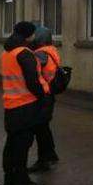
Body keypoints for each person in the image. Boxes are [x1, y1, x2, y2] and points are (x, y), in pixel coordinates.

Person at [1, 21, 49, 185]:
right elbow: (32, 80)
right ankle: (21, 181)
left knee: (12, 143)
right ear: (29, 35)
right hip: (26, 104)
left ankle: (9, 179)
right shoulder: (24, 53)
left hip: (11, 103)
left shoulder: (8, 52)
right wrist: (42, 96)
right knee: (22, 145)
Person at [27, 26, 59, 173]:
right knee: (44, 126)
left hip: (43, 94)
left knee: (40, 127)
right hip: (49, 93)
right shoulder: (51, 50)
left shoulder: (40, 55)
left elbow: (32, 73)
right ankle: (50, 154)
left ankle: (43, 161)